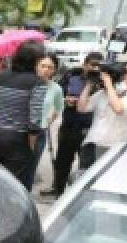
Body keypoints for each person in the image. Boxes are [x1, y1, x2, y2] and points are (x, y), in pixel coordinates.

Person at [0, 41, 47, 191]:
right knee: (13, 186)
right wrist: (31, 145)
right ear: (35, 61)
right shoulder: (37, 83)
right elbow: (35, 117)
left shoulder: (0, 78)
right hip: (19, 140)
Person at [42, 52, 100, 199]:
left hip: (90, 127)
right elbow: (57, 91)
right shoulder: (71, 76)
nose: (95, 68)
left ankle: (81, 196)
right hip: (70, 123)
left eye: (98, 65)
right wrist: (65, 99)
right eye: (92, 65)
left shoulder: (103, 81)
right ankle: (57, 188)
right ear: (85, 65)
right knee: (63, 159)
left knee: (86, 163)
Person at [77, 59, 127, 169]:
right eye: (123, 72)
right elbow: (81, 108)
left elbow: (118, 109)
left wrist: (109, 84)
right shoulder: (106, 92)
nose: (124, 75)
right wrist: (88, 85)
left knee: (101, 181)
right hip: (92, 142)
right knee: (82, 178)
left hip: (113, 147)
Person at [25, 53, 64, 188]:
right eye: (43, 66)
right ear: (36, 66)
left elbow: (58, 108)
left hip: (39, 132)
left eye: (50, 67)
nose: (46, 70)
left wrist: (47, 121)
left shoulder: (56, 88)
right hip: (22, 130)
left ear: (54, 70)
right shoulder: (26, 84)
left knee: (31, 167)